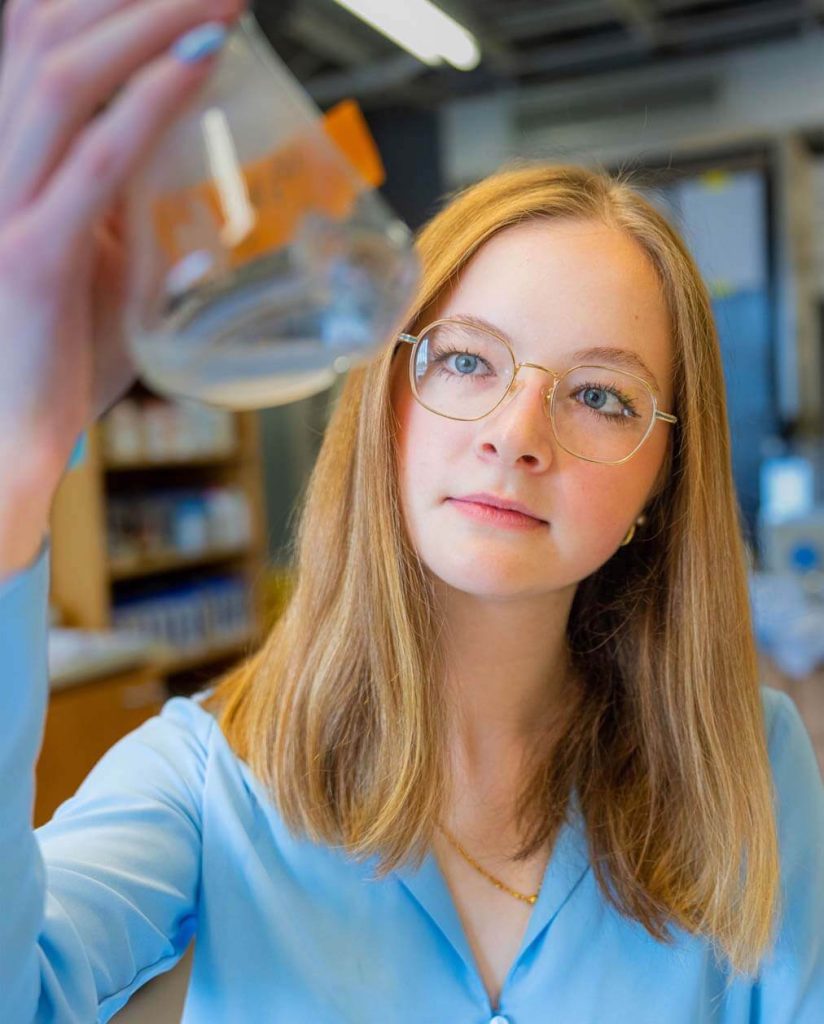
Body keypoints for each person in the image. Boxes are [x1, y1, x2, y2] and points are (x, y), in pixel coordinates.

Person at [1, 1, 822, 1022]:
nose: (515, 432)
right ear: (384, 405)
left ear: (662, 479)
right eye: (466, 359)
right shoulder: (206, 780)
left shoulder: (745, 761)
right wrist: (15, 469)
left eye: (598, 394)